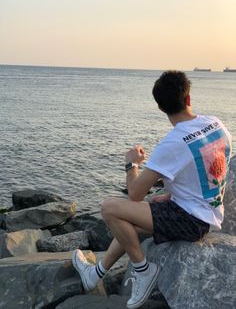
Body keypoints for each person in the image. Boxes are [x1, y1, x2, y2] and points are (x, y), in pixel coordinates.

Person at [72, 70, 232, 309]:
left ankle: (143, 270)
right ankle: (95, 274)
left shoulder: (173, 142)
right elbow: (216, 168)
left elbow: (135, 193)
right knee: (128, 223)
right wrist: (173, 195)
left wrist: (132, 164)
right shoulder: (216, 124)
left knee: (110, 209)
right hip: (206, 211)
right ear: (188, 98)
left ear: (160, 108)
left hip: (191, 220)